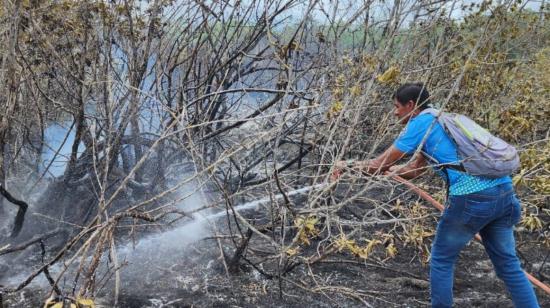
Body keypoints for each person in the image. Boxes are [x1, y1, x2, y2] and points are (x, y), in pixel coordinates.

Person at [333, 83, 540, 308]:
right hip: (505, 194)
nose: (395, 112)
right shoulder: (443, 118)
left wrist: (347, 166)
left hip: (471, 200)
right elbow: (415, 169)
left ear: (411, 105)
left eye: (397, 107)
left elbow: (377, 164)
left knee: (442, 261)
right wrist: (394, 171)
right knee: (509, 265)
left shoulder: (421, 122)